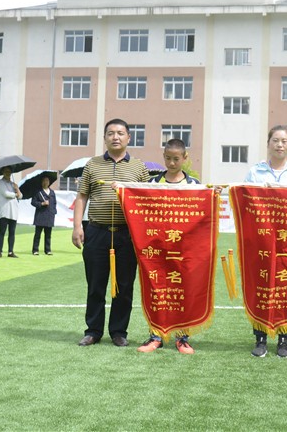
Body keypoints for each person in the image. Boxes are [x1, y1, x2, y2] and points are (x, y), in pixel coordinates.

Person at [72, 119, 150, 347]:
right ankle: (93, 331)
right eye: (111, 133)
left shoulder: (139, 167)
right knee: (95, 285)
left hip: (127, 235)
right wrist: (77, 227)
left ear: (129, 138)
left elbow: (147, 198)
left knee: (124, 287)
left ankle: (119, 332)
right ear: (104, 138)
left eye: (120, 133)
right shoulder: (92, 165)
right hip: (97, 232)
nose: (115, 137)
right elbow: (82, 196)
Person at [245, 125, 287, 358]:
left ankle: (284, 340)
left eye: (284, 141)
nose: (279, 145)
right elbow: (245, 201)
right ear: (268, 143)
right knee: (261, 287)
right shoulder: (255, 172)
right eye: (275, 140)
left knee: (286, 288)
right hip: (262, 241)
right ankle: (260, 338)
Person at [137, 138, 200, 355]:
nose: (172, 163)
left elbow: (202, 213)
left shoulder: (194, 185)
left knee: (184, 291)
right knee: (157, 290)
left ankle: (182, 338)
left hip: (184, 250)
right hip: (157, 248)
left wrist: (214, 194)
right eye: (168, 158)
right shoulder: (153, 183)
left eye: (176, 159)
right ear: (163, 157)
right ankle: (156, 336)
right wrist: (122, 190)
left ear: (185, 158)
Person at [0, 167, 22, 258]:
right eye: (6, 171)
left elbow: (20, 196)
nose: (8, 173)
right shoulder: (0, 183)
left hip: (13, 211)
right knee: (2, 231)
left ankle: (10, 251)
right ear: (3, 172)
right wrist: (16, 194)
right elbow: (6, 194)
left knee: (12, 232)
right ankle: (0, 251)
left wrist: (17, 188)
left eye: (9, 171)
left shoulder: (13, 184)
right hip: (5, 211)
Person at [31, 175, 57, 255]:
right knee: (37, 234)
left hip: (50, 216)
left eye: (47, 181)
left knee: (48, 235)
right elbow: (33, 202)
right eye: (44, 181)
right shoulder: (38, 192)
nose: (46, 182)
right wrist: (42, 203)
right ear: (42, 182)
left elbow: (54, 203)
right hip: (40, 215)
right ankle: (35, 250)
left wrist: (53, 212)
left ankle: (48, 250)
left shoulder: (52, 192)